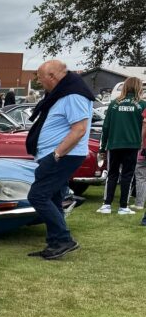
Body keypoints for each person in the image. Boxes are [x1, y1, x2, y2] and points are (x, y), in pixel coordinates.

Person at [25, 60, 93, 259]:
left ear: (52, 76)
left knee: (37, 196)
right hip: (58, 155)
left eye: (40, 78)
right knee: (53, 197)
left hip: (63, 156)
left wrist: (56, 155)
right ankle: (55, 243)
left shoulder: (74, 94)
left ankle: (63, 239)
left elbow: (79, 129)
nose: (39, 82)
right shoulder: (63, 92)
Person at [98, 77, 146, 215]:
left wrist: (102, 147)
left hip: (114, 144)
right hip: (132, 145)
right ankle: (123, 207)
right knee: (127, 175)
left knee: (112, 174)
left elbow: (105, 127)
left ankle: (107, 205)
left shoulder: (114, 104)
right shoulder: (142, 104)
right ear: (138, 87)